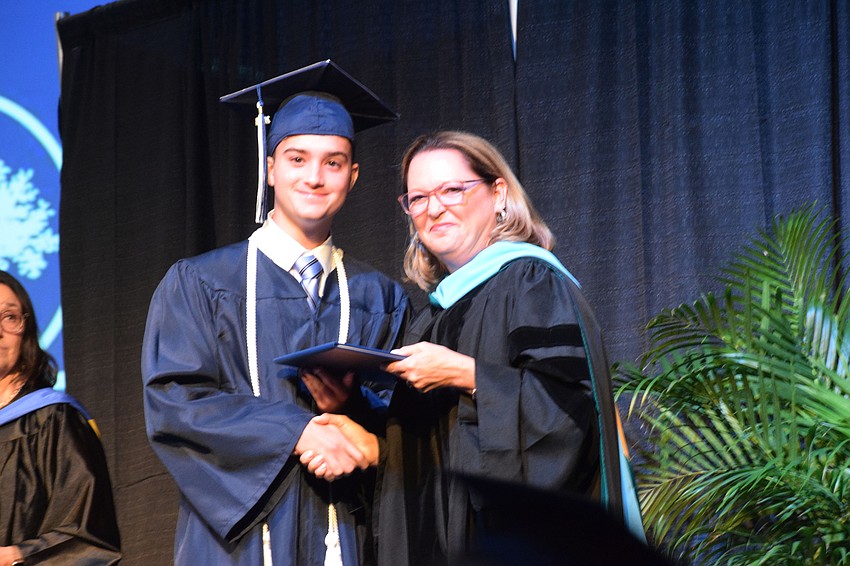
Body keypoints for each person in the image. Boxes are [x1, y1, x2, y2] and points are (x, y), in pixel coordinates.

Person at [304, 131, 644, 565]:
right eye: (418, 198)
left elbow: (571, 418)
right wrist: (364, 427)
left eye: (452, 190)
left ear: (498, 193)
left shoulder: (532, 283)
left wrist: (466, 374)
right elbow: (444, 456)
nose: (434, 208)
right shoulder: (432, 317)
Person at [141, 60, 409, 566]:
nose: (314, 177)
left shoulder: (380, 298)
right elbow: (176, 402)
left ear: (352, 176)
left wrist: (352, 411)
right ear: (270, 167)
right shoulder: (200, 284)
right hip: (236, 546)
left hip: (343, 535)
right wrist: (297, 430)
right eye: (297, 158)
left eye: (333, 163)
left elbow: (400, 425)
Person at [0, 270, 121, 565]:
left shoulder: (54, 419)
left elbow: (89, 539)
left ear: (27, 330)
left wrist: (14, 556)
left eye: (9, 317)